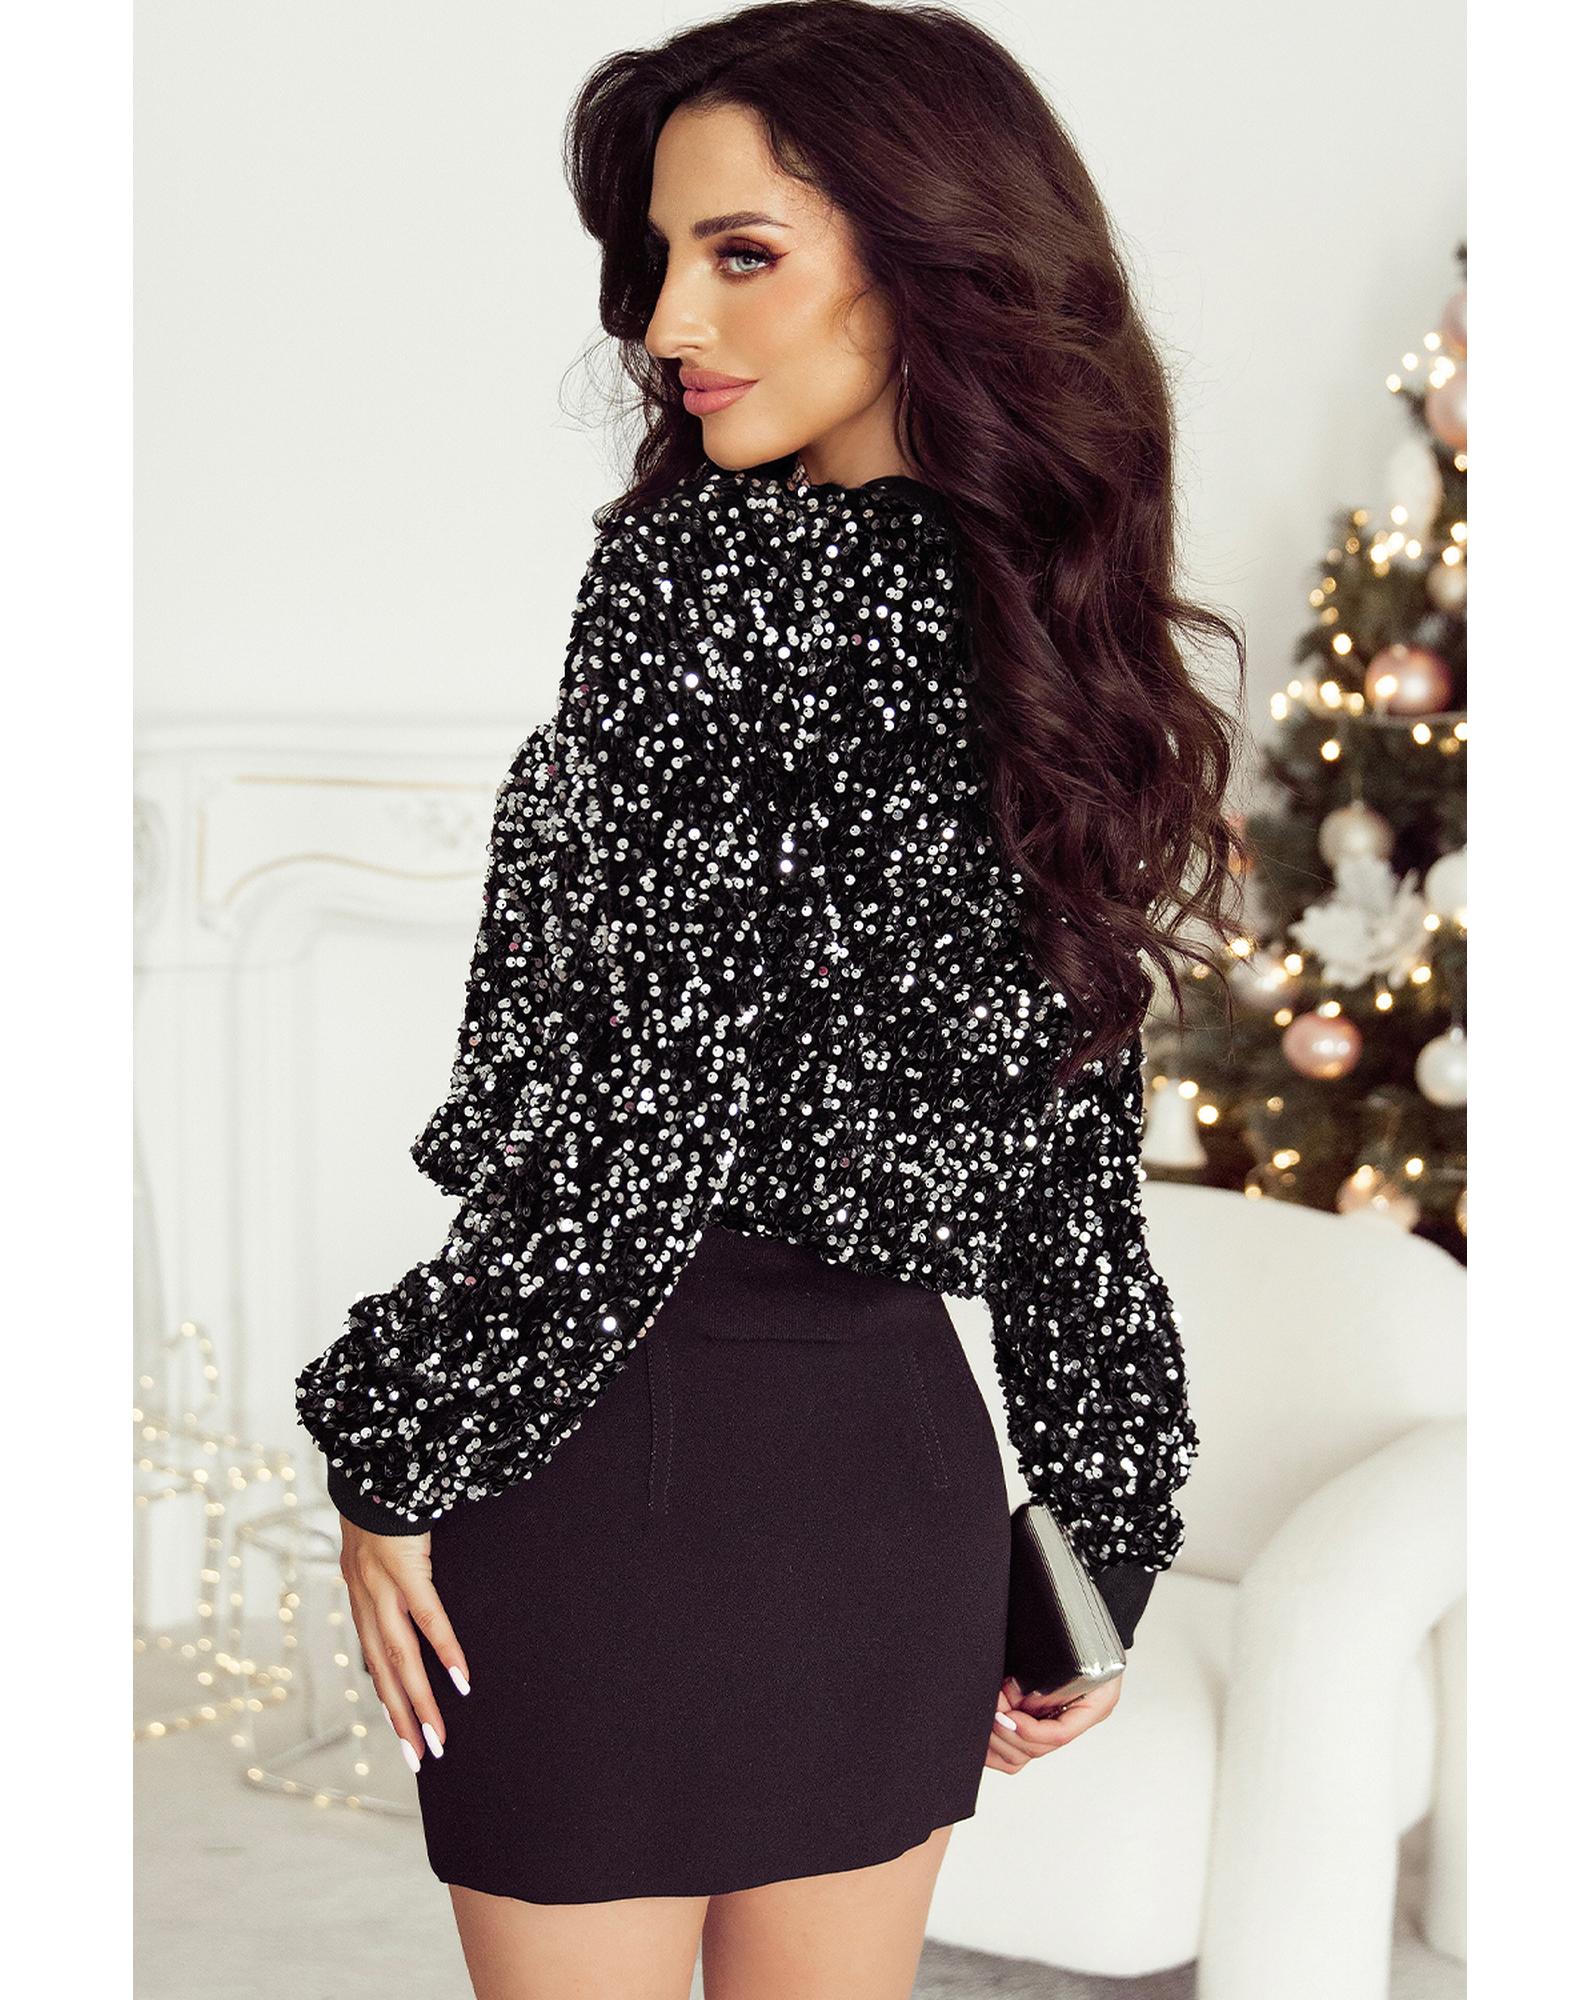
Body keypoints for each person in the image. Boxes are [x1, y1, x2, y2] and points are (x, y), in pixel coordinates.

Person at [294, 4, 1248, 1994]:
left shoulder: (693, 589)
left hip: (609, 1467)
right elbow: (1074, 1179)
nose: (668, 321)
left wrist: (395, 1439)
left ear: (932, 257)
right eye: (659, 258)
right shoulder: (1064, 650)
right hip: (894, 1494)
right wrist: (1095, 1539)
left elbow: (631, 1128)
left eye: (742, 253)